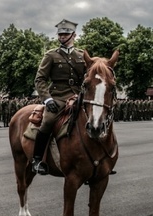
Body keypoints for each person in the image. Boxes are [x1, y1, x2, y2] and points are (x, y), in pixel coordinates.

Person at [31, 19, 86, 175]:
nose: (62, 37)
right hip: (58, 97)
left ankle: (100, 159)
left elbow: (87, 79)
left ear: (74, 35)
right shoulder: (51, 55)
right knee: (47, 121)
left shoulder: (82, 55)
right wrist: (47, 99)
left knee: (95, 121)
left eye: (66, 34)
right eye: (60, 34)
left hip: (78, 97)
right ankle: (37, 159)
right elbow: (40, 79)